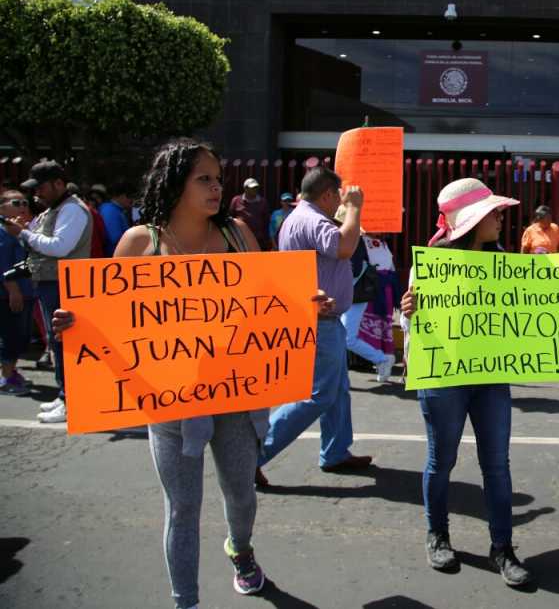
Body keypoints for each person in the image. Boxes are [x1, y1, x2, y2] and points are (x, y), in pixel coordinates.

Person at [51, 138, 335, 609]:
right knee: (182, 508)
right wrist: (75, 324)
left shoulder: (239, 235)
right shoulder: (140, 243)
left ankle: (240, 551)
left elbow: (270, 299)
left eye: (218, 179)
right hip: (169, 402)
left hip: (236, 393)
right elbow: (110, 317)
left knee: (241, 493)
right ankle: (185, 601)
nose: (216, 187)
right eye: (204, 178)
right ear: (174, 183)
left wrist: (309, 308)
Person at [400, 177, 536, 587]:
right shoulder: (431, 266)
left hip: (491, 376)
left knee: (497, 464)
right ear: (473, 221)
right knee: (442, 461)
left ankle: (503, 547)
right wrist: (409, 308)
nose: (500, 218)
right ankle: (437, 534)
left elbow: (526, 313)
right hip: (445, 377)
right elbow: (413, 324)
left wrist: (554, 293)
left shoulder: (504, 263)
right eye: (493, 212)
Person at [256, 168, 372, 487]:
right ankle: (255, 454)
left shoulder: (299, 217)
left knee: (337, 390)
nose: (341, 199)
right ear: (326, 195)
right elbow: (344, 247)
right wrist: (355, 208)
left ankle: (335, 451)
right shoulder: (312, 219)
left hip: (320, 318)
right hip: (319, 320)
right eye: (337, 195)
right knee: (319, 394)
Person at [5, 161, 93, 423]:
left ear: (58, 183)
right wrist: (25, 231)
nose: (36, 193)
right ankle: (65, 395)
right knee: (57, 343)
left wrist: (23, 233)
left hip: (64, 284)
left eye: (41, 187)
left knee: (65, 342)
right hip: (52, 283)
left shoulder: (73, 209)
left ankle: (71, 400)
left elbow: (59, 247)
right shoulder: (57, 209)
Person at [337, 209, 395, 382]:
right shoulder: (353, 238)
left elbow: (354, 269)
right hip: (349, 293)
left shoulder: (355, 239)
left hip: (355, 294)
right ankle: (340, 373)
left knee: (347, 338)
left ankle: (381, 359)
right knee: (341, 336)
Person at [0, 189, 36, 396]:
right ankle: (6, 378)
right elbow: (4, 265)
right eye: (17, 202)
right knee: (11, 335)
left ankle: (11, 371)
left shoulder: (18, 230)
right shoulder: (3, 232)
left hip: (26, 291)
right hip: (10, 294)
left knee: (21, 335)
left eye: (25, 203)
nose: (23, 206)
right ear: (2, 207)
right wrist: (13, 291)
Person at [230, 178, 270, 250]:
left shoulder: (263, 202)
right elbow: (231, 218)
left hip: (259, 239)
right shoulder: (236, 200)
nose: (255, 190)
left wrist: (266, 240)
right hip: (240, 238)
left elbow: (266, 221)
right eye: (252, 188)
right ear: (245, 188)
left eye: (256, 187)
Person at [99, 181, 134, 257]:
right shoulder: (110, 210)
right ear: (119, 196)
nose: (131, 199)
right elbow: (115, 238)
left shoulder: (116, 210)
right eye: (129, 196)